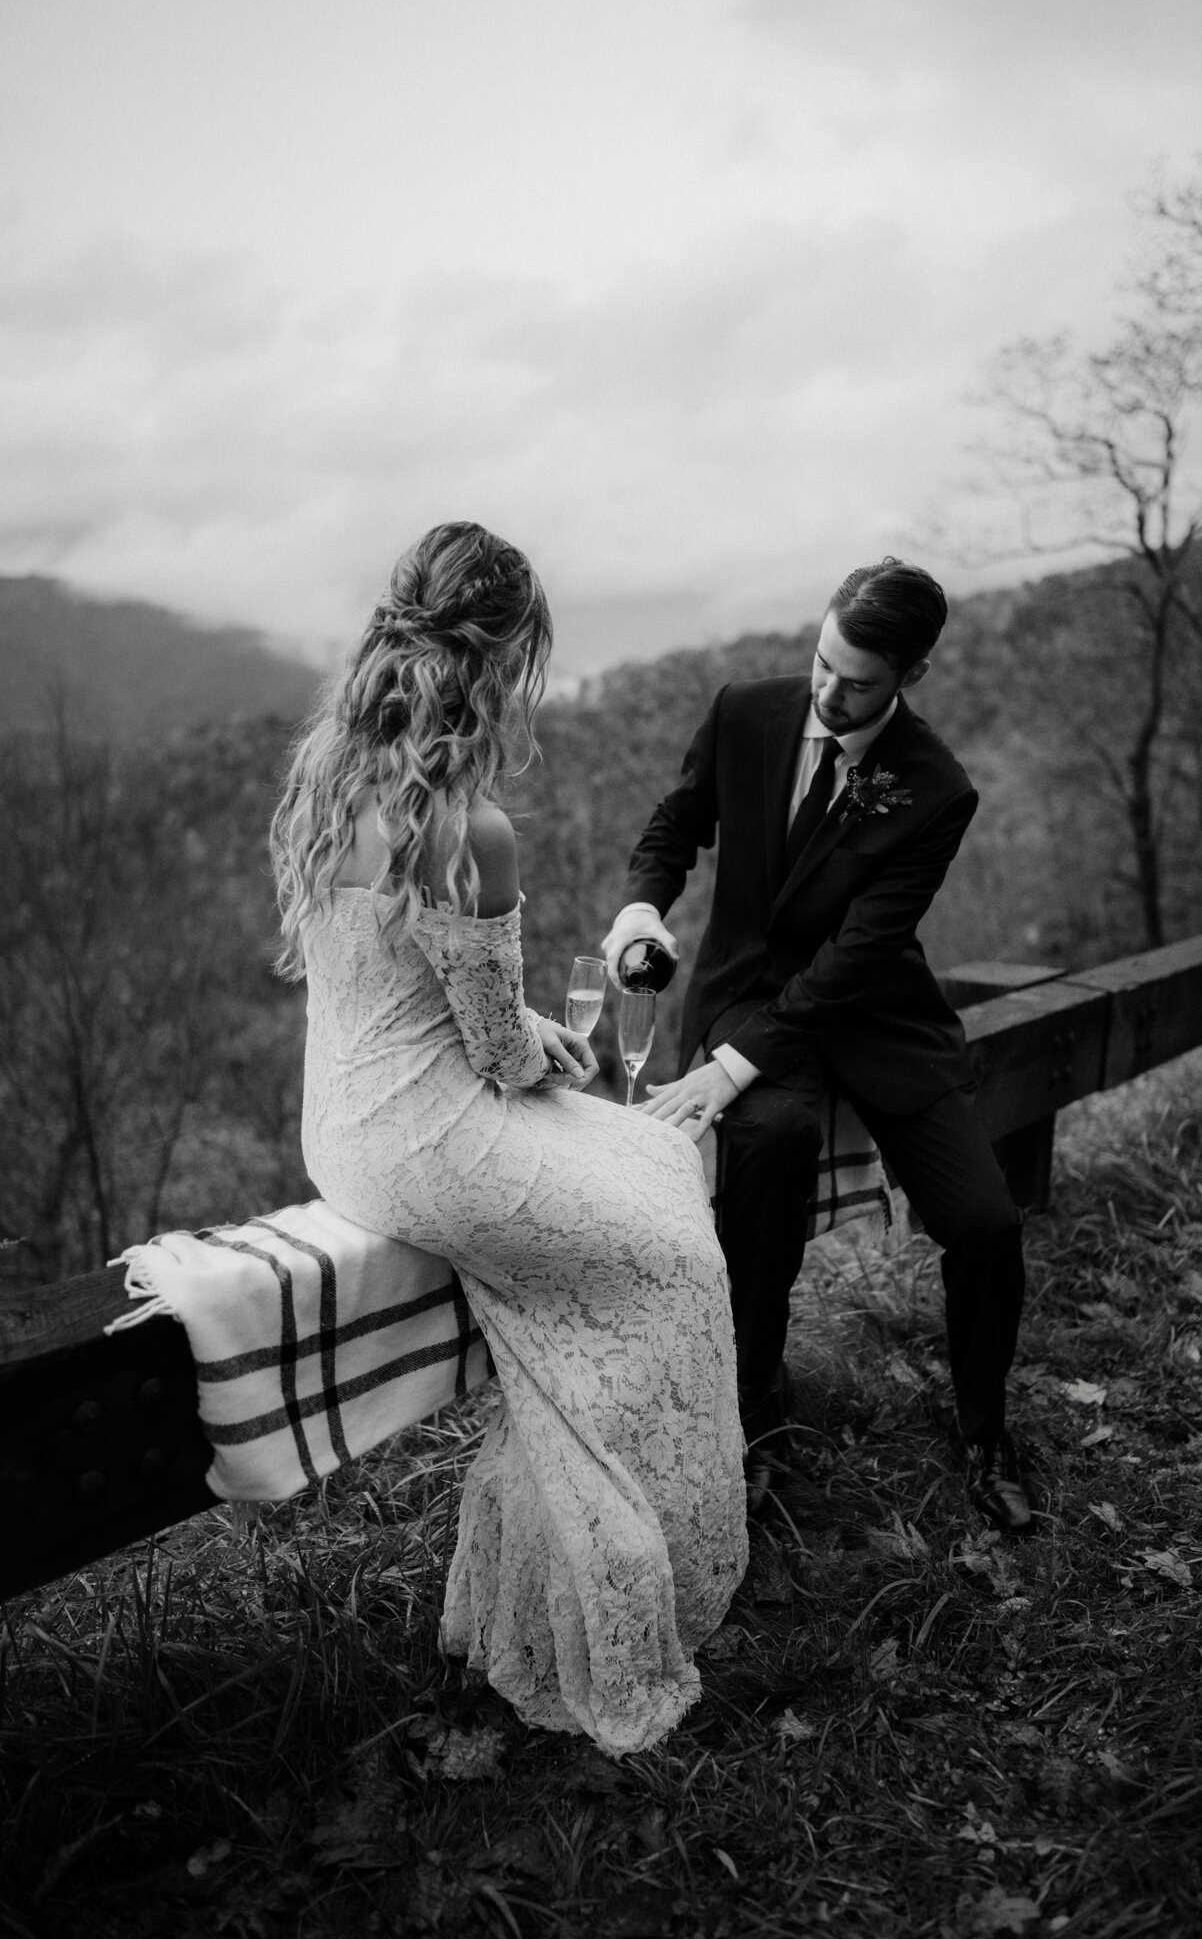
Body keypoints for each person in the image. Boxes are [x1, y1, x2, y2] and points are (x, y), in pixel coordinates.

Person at [269, 521, 747, 1757]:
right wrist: (553, 1051)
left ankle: (532, 1572)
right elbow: (491, 1049)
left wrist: (533, 1040)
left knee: (643, 1160)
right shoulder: (468, 826)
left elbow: (417, 993)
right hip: (432, 1136)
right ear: (502, 662)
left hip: (343, 1122)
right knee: (675, 1256)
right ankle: (617, 1583)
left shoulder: (329, 773)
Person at [602, 557, 1032, 1531]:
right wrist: (640, 905)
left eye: (861, 683)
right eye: (826, 661)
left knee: (987, 1221)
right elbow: (677, 823)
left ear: (910, 676)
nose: (831, 693)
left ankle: (983, 1426)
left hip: (871, 1010)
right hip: (746, 992)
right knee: (765, 1144)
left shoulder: (935, 788)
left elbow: (856, 956)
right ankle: (753, 1404)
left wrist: (729, 1068)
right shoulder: (746, 710)